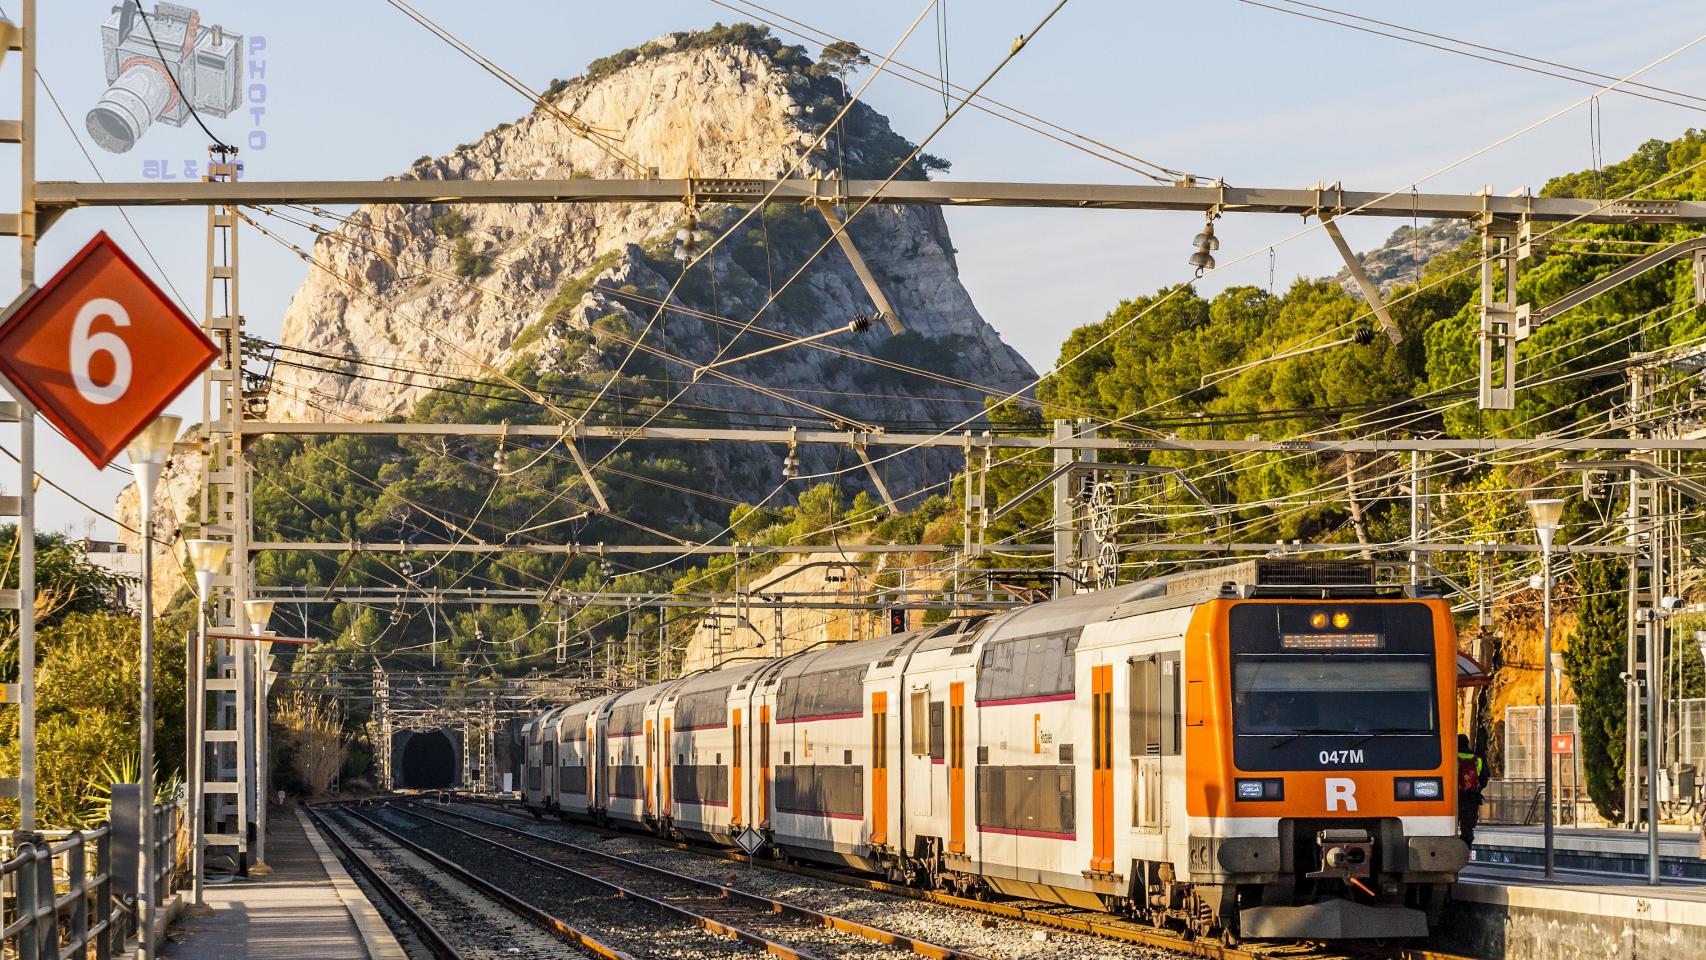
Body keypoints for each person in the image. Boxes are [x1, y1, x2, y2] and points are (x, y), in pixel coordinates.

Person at [1457, 734, 1487, 849]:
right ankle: (1466, 847)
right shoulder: (1477, 760)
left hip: (1455, 797)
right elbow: (1483, 779)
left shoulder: (1451, 758)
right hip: (1471, 797)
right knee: (1467, 825)